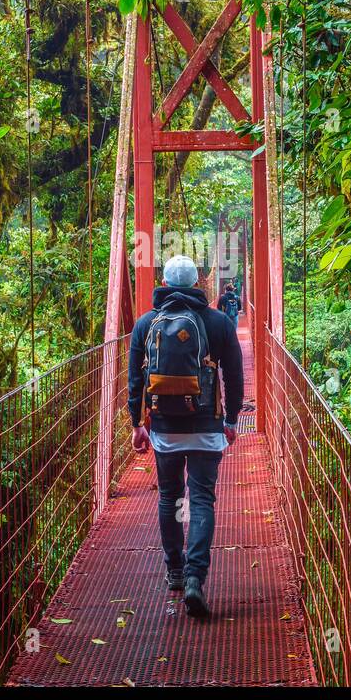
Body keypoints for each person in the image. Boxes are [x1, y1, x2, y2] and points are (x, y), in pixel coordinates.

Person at [127, 253, 244, 618]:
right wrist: (232, 420)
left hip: (164, 428)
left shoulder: (146, 324)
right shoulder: (219, 322)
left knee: (170, 497)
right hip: (207, 425)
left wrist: (137, 424)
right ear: (198, 285)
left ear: (163, 284)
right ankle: (195, 577)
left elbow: (135, 381)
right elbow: (235, 376)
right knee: (203, 499)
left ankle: (175, 571)